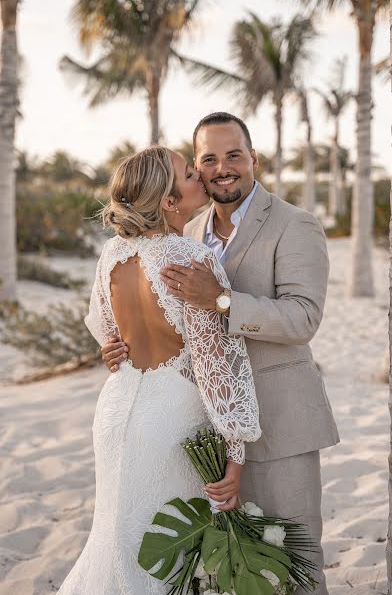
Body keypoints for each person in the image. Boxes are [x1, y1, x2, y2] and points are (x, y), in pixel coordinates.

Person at [102, 112, 340, 594]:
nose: (222, 167)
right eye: (208, 159)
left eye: (234, 154)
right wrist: (119, 346)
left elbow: (303, 319)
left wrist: (223, 300)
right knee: (227, 569)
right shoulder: (185, 236)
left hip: (280, 424)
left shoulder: (296, 225)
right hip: (201, 434)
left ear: (253, 158)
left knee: (294, 560)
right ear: (196, 167)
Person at [56, 145, 261, 595]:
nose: (200, 179)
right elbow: (215, 367)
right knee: (166, 553)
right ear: (169, 202)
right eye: (190, 174)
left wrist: (113, 350)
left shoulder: (111, 253)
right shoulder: (193, 259)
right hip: (170, 418)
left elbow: (105, 330)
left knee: (116, 539)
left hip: (115, 412)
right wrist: (236, 453)